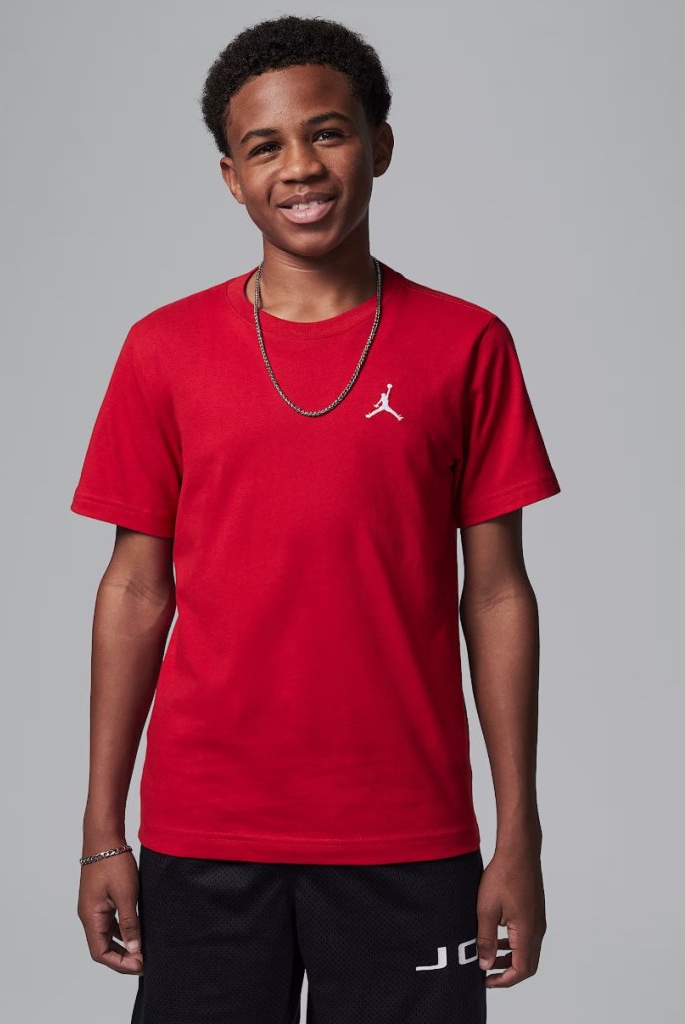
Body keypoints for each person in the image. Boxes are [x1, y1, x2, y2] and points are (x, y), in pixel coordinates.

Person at [72, 14, 561, 1024]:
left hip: (408, 836)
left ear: (380, 145)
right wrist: (102, 828)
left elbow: (497, 595)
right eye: (265, 146)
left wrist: (519, 831)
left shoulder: (468, 345)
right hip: (205, 834)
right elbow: (135, 589)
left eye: (328, 132)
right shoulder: (162, 350)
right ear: (231, 176)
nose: (299, 166)